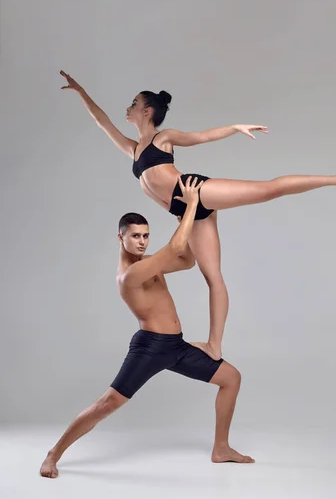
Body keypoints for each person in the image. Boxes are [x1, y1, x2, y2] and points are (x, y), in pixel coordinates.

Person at [60, 70, 336, 362]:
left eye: (134, 103)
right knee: (210, 275)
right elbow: (103, 123)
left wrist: (235, 128)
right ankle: (214, 346)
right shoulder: (134, 150)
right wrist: (82, 92)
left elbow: (202, 137)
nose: (128, 107)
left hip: (194, 190)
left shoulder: (162, 138)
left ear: (147, 111)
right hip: (185, 212)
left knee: (268, 190)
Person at [40, 176, 254, 479]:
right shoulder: (131, 275)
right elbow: (177, 245)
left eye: (146, 236)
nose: (142, 241)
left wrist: (190, 215)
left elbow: (187, 259)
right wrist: (192, 205)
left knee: (231, 378)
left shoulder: (150, 262)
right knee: (107, 404)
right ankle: (53, 454)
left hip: (176, 347)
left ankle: (221, 448)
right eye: (136, 236)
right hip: (151, 348)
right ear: (120, 238)